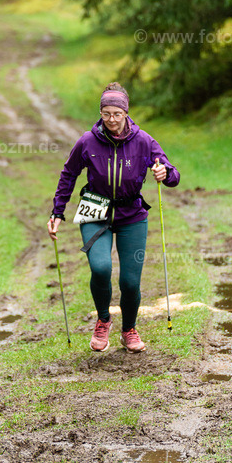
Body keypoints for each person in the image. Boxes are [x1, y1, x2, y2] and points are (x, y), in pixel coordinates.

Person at [47, 82, 180, 353]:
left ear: (126, 113)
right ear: (100, 113)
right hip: (95, 210)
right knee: (100, 268)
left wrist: (164, 173)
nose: (111, 120)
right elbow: (68, 174)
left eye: (117, 114)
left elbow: (172, 174)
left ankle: (129, 329)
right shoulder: (87, 141)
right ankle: (103, 319)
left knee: (130, 281)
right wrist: (57, 211)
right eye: (106, 114)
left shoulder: (144, 141)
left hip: (132, 214)